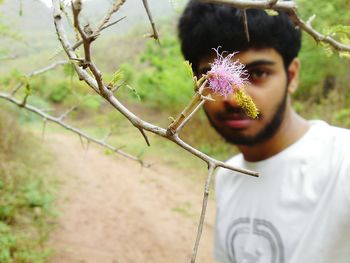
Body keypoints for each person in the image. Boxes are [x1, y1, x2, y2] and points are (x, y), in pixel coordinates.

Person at [178, 1, 350, 263]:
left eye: (257, 73)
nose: (235, 98)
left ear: (292, 76)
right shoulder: (226, 176)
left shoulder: (343, 164)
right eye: (214, 80)